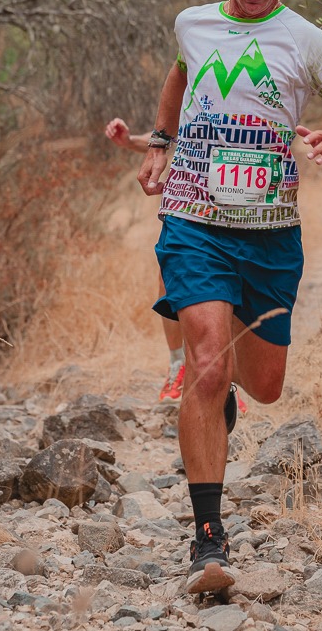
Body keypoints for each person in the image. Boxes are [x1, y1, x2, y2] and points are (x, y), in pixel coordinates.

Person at [138, 0, 322, 595]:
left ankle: (220, 392)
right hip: (193, 221)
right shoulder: (193, 23)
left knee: (265, 385)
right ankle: (208, 539)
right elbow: (180, 74)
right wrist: (161, 140)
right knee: (207, 364)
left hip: (271, 236)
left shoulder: (306, 41)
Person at [105, 117, 249, 412]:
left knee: (233, 283)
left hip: (243, 205)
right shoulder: (196, 92)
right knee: (171, 275)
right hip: (189, 202)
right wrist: (130, 141)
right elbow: (169, 136)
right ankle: (178, 367)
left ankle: (226, 377)